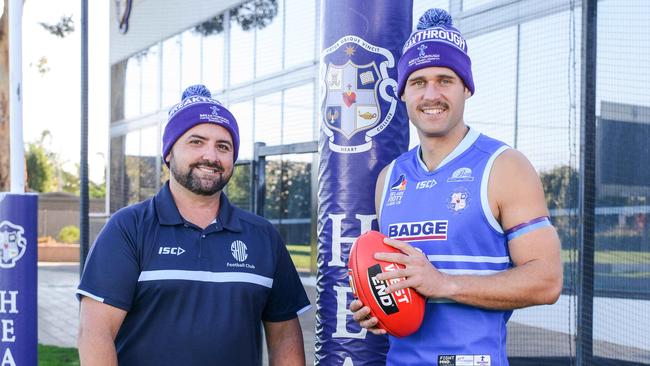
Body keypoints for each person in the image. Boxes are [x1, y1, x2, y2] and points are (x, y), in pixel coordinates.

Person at [350, 8, 563, 366]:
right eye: (418, 82)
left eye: (445, 80)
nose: (431, 94)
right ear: (403, 93)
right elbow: (399, 284)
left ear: (466, 87)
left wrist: (443, 283)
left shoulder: (504, 166)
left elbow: (547, 281)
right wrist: (378, 305)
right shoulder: (389, 177)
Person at [77, 85, 311, 366]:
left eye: (223, 146)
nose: (210, 156)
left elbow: (285, 335)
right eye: (196, 142)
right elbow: (95, 333)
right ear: (169, 153)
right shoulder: (128, 228)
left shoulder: (263, 236)